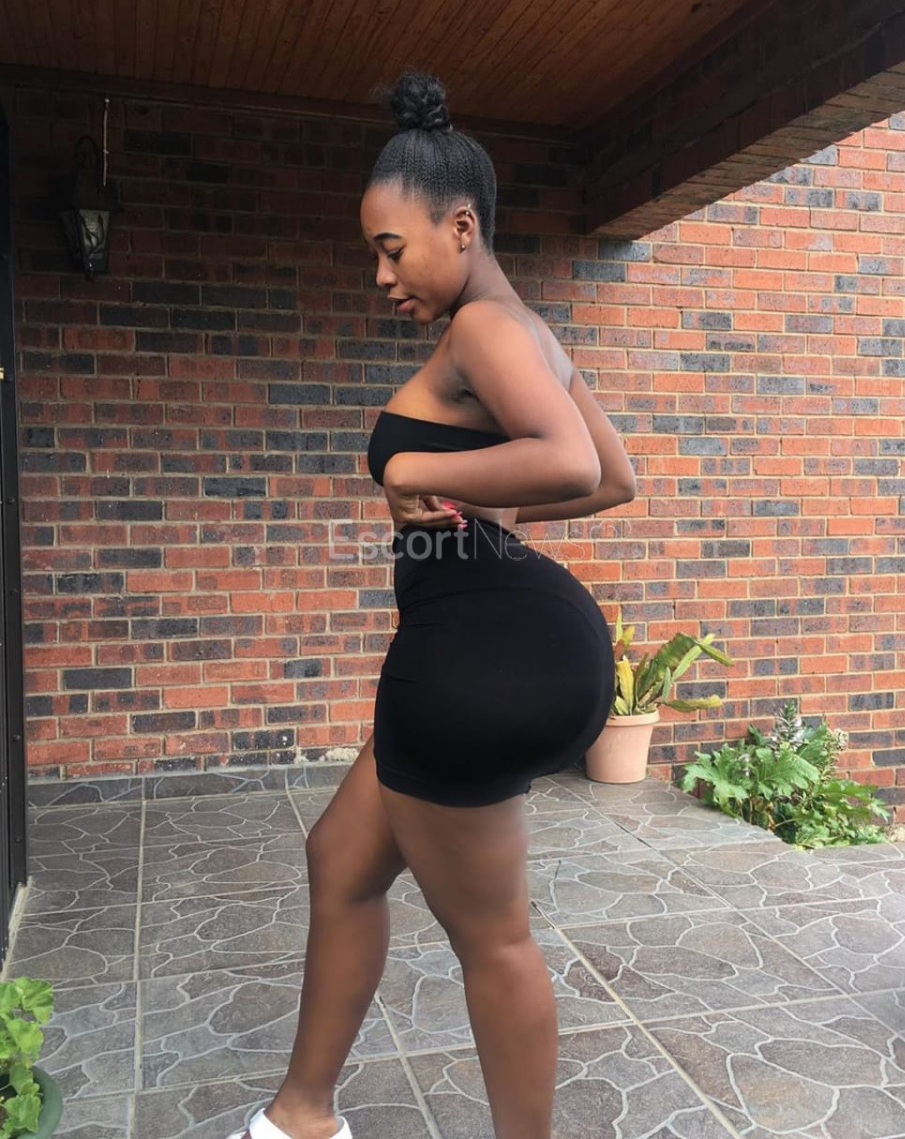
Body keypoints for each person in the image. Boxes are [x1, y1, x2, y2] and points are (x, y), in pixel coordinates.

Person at [227, 72, 636, 1139]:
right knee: (341, 859)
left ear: (460, 225)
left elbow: (570, 461)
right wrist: (472, 496)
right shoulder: (526, 331)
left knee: (493, 937)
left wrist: (416, 466)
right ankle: (300, 1116)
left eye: (391, 248)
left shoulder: (484, 331)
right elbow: (614, 478)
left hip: (475, 655)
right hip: (516, 636)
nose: (380, 275)